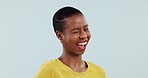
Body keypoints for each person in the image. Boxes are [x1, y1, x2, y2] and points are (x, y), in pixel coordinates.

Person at [35, 6, 106, 78]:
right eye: (76, 31)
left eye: (86, 29)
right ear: (60, 36)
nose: (83, 35)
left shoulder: (99, 72)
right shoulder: (49, 70)